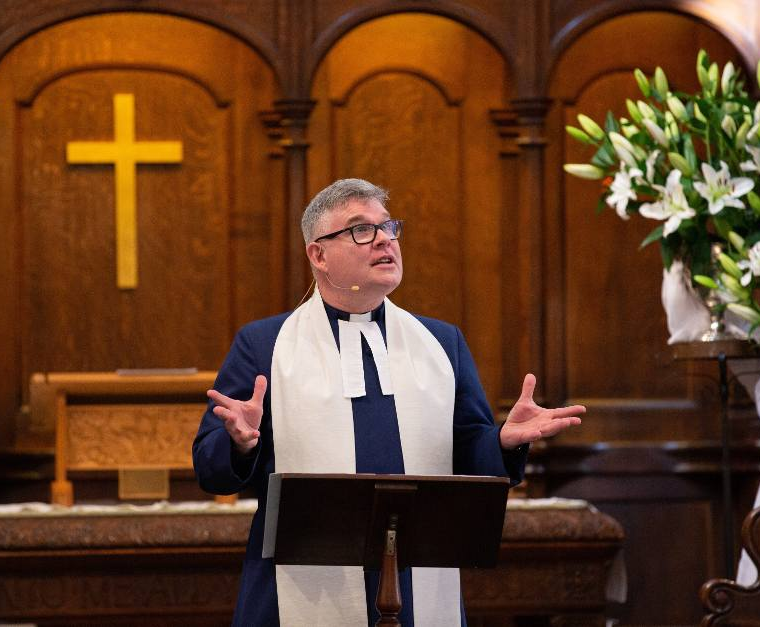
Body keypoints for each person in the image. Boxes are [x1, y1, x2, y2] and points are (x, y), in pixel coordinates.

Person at [192, 178, 584, 626]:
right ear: (318, 254)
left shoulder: (440, 342)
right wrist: (241, 443)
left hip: (416, 581)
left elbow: (467, 455)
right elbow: (210, 469)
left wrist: (504, 441)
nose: (384, 240)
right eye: (361, 230)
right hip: (296, 588)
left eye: (389, 228)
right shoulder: (265, 345)